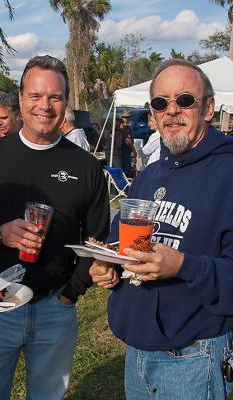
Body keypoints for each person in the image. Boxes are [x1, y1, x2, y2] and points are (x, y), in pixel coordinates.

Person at [0, 55, 110, 400]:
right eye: (35, 96)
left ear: (65, 102)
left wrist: (70, 294)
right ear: (21, 99)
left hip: (54, 308)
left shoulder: (85, 166)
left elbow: (97, 238)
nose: (44, 106)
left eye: (55, 97)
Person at [89, 59, 233, 399]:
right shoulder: (152, 173)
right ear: (152, 114)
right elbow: (118, 237)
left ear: (208, 108)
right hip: (137, 352)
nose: (171, 111)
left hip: (196, 356)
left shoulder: (228, 172)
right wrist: (105, 263)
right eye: (160, 103)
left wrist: (181, 265)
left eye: (185, 100)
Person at [120, 111, 136, 177]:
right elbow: (128, 140)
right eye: (125, 117)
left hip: (124, 150)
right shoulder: (126, 128)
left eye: (127, 117)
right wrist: (133, 150)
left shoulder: (125, 127)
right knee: (126, 169)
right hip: (125, 150)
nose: (127, 119)